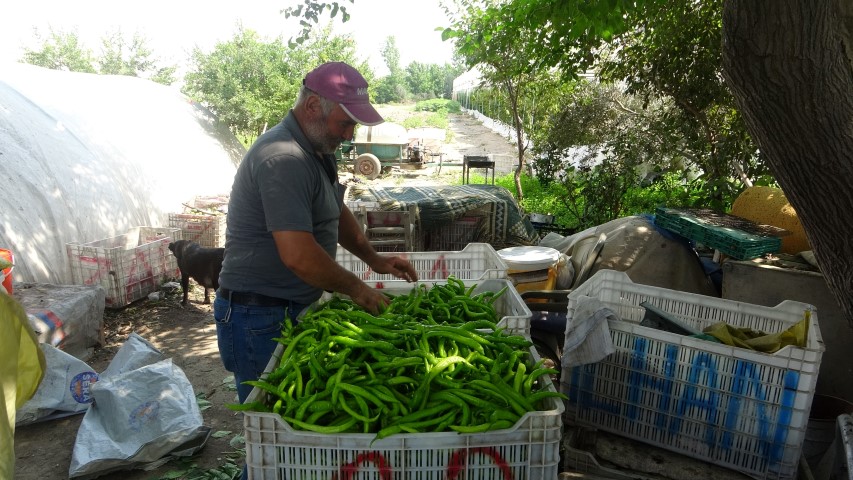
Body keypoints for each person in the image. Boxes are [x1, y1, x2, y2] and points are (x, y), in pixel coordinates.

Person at [214, 61, 418, 404]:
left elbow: (334, 212)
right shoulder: (282, 158)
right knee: (272, 433)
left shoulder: (318, 150)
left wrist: (374, 260)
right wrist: (359, 290)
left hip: (291, 306)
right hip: (259, 315)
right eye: (345, 123)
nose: (350, 134)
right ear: (312, 107)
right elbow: (298, 255)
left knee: (296, 417)